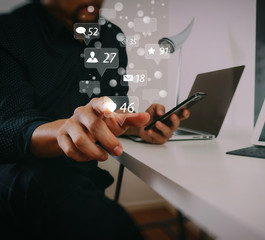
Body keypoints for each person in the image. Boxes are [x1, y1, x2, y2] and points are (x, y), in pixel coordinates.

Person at [0, 0, 190, 239]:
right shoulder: (9, 32)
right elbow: (11, 128)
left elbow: (113, 108)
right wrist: (65, 130)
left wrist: (137, 125)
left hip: (81, 179)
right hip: (19, 175)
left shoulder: (109, 37)